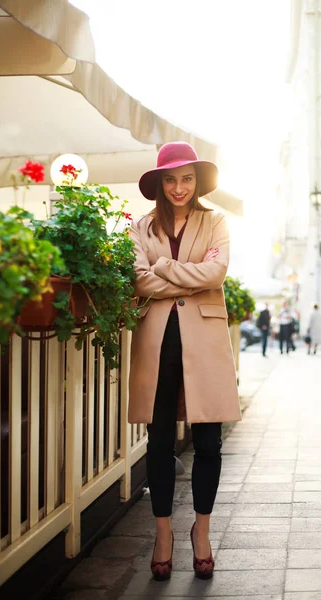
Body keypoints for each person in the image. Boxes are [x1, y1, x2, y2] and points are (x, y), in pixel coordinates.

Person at [128, 142, 242, 581]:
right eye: (171, 179)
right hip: (158, 342)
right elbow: (139, 282)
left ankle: (202, 531)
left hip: (206, 341)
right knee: (158, 444)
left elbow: (216, 273)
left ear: (197, 181)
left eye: (187, 178)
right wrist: (182, 275)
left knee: (209, 443)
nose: (179, 187)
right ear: (160, 183)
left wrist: (164, 267)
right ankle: (162, 535)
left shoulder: (215, 221)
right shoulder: (140, 226)